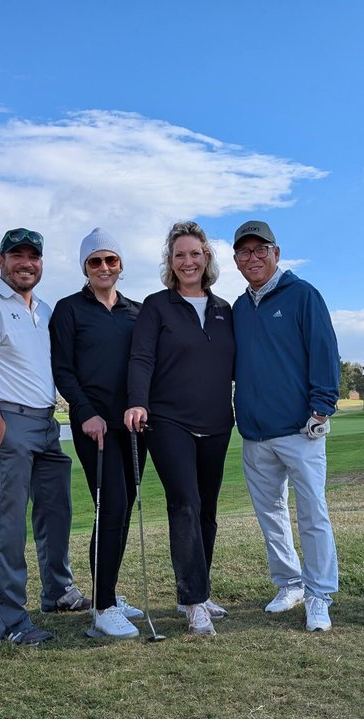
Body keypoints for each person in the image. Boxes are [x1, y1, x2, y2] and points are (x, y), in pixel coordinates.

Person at [0, 227, 87, 646]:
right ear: (1, 261)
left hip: (47, 425)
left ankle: (58, 592)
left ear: (41, 263)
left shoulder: (44, 311)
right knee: (8, 525)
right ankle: (11, 619)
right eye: (17, 256)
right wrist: (1, 431)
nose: (25, 263)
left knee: (56, 512)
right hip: (8, 422)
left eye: (33, 256)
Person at [124, 221, 235, 636]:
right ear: (170, 263)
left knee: (207, 511)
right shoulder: (157, 306)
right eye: (179, 255)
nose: (188, 261)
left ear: (207, 258)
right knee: (185, 504)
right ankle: (193, 602)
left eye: (195, 253)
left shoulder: (225, 310)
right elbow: (141, 358)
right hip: (169, 421)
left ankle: (198, 591)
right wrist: (137, 400)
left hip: (217, 422)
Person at [231, 220, 340, 632]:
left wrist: (322, 408)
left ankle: (319, 595)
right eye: (245, 252)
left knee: (313, 514)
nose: (253, 258)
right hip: (255, 434)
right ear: (237, 261)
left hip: (300, 429)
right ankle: (289, 584)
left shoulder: (302, 295)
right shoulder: (239, 308)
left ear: (276, 253)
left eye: (261, 250)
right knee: (271, 515)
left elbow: (324, 350)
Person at [50, 228, 147, 640]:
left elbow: (145, 364)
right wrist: (85, 413)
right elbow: (63, 370)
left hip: (133, 427)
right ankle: (103, 608)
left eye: (111, 260)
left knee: (123, 510)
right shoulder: (69, 309)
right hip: (94, 428)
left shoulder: (137, 312)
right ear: (85, 267)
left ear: (121, 265)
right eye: (95, 261)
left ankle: (106, 592)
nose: (104, 267)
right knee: (110, 507)